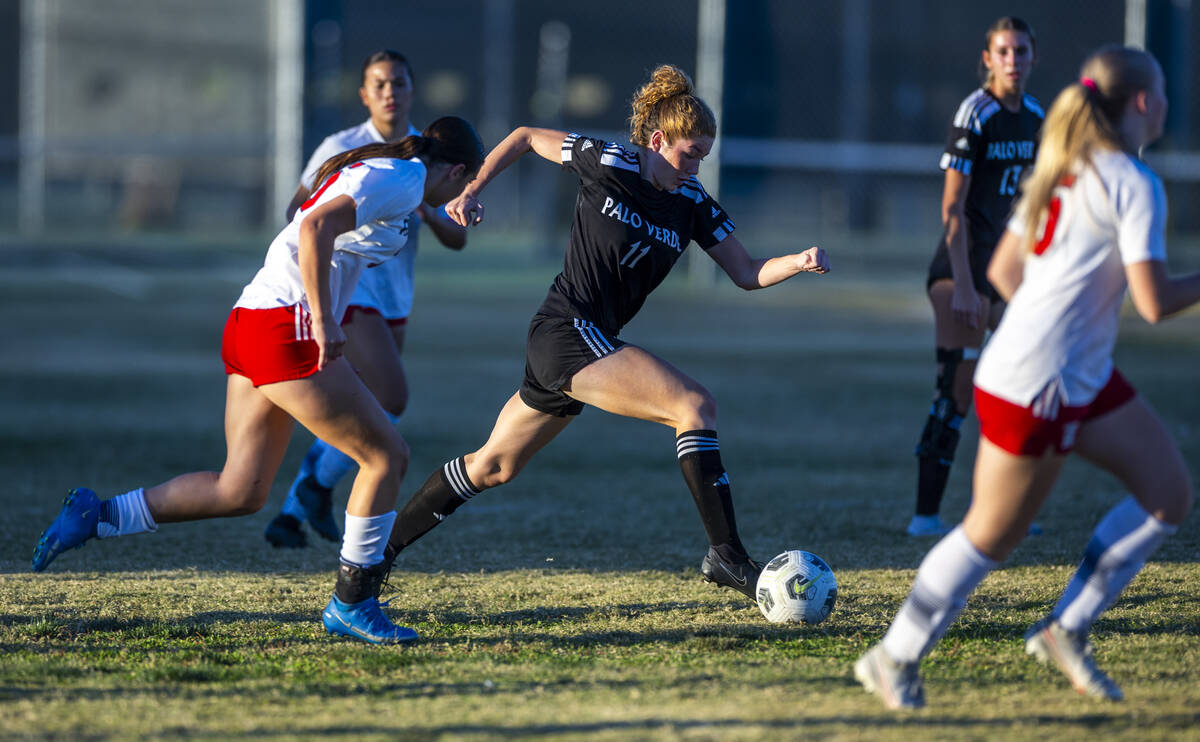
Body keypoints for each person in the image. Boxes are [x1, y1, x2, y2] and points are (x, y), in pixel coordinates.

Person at [372, 64, 830, 603]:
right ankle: (726, 556)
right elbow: (523, 137)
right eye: (689, 153)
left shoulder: (693, 203)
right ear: (657, 140)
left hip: (583, 342)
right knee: (693, 405)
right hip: (565, 330)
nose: (696, 165)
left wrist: (797, 262)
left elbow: (747, 272)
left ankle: (375, 555)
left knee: (493, 465)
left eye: (705, 155)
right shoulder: (609, 160)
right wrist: (471, 189)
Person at [31, 117, 485, 646]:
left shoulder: (397, 176)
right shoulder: (403, 177)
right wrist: (323, 319)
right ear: (455, 171)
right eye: (468, 181)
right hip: (286, 326)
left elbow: (331, 230)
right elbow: (315, 229)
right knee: (386, 457)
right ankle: (353, 602)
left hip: (252, 319)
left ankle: (98, 515)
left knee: (240, 489)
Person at [856, 45, 1198, 710]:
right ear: (1142, 103)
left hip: (1072, 370)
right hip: (1037, 379)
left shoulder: (1062, 164)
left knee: (1169, 493)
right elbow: (1153, 304)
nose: (1164, 101)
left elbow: (1006, 273)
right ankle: (892, 656)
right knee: (992, 534)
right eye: (1159, 89)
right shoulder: (1132, 181)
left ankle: (1066, 627)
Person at [265, 50, 470, 549]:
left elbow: (457, 238)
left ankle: (293, 509)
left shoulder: (428, 153)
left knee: (367, 402)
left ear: (411, 91)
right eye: (378, 84)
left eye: (398, 83)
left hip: (395, 292)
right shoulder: (346, 146)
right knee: (391, 397)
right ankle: (312, 490)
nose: (389, 92)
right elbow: (302, 212)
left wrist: (426, 207)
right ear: (363, 94)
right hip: (351, 287)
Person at [909, 17, 1044, 537]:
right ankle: (925, 517)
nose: (1013, 60)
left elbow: (1032, 204)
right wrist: (965, 285)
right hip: (958, 272)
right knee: (955, 392)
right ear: (987, 59)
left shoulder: (1035, 117)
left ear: (1034, 57)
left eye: (1021, 51)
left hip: (1002, 273)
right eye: (1003, 51)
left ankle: (1006, 510)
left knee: (1024, 385)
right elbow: (953, 207)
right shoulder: (976, 112)